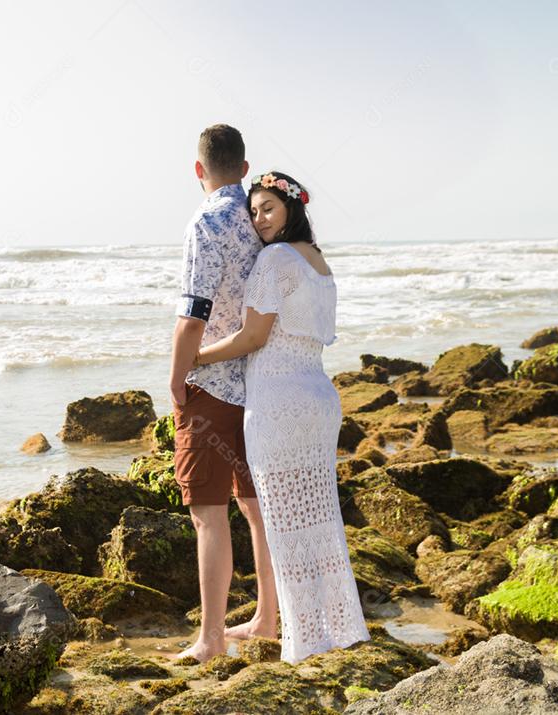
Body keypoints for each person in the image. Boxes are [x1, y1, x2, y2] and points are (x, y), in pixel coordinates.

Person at [194, 170, 370, 664]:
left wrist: (195, 357)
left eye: (268, 208)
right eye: (253, 212)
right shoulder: (319, 264)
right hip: (318, 396)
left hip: (278, 400)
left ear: (292, 207)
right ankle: (335, 626)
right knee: (319, 518)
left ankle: (305, 639)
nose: (259, 219)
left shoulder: (274, 259)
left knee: (284, 520)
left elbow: (253, 337)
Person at [169, 124, 277, 663]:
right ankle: (267, 618)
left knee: (207, 514)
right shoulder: (263, 218)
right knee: (256, 508)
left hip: (212, 384)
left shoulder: (207, 220)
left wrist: (177, 377)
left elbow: (194, 313)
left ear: (199, 170)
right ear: (243, 167)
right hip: (261, 382)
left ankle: (211, 639)